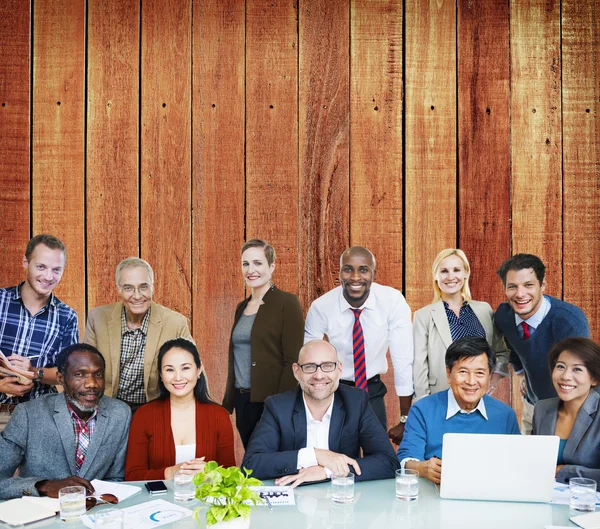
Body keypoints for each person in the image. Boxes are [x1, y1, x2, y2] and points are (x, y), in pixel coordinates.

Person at [242, 340, 400, 486]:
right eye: (309, 367)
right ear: (297, 371)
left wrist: (327, 471)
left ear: (339, 369)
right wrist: (315, 455)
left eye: (327, 366)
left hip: (342, 502)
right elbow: (251, 465)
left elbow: (388, 462)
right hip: (295, 501)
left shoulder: (356, 402)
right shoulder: (278, 406)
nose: (318, 375)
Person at [304, 246, 413, 443]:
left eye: (363, 269)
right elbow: (309, 362)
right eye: (348, 269)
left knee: (380, 457)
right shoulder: (321, 307)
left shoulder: (392, 301)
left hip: (372, 390)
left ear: (374, 273)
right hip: (336, 392)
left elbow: (403, 359)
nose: (355, 277)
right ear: (339, 273)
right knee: (340, 462)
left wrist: (405, 419)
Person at [0, 343, 131, 499]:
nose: (92, 384)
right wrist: (43, 486)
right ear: (61, 378)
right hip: (41, 515)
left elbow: (116, 480)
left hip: (95, 515)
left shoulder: (120, 413)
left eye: (98, 374)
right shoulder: (28, 414)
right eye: (80, 374)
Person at [397, 336, 520, 484]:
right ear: (449, 373)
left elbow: (517, 465)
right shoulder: (422, 410)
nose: (471, 381)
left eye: (480, 373)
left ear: (489, 375)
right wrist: (423, 468)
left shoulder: (505, 415)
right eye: (463, 372)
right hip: (435, 496)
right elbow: (407, 460)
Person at [222, 239, 304, 448]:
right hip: (243, 403)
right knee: (253, 461)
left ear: (272, 266)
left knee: (268, 462)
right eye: (246, 264)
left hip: (271, 403)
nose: (251, 270)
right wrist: (228, 404)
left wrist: (279, 405)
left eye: (258, 263)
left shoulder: (287, 302)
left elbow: (293, 360)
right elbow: (236, 358)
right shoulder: (241, 307)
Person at [495, 253, 590, 434]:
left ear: (542, 285)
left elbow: (580, 374)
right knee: (528, 459)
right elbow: (512, 347)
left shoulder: (568, 321)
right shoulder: (504, 316)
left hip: (568, 408)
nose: (520, 294)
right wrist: (521, 373)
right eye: (512, 287)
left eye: (528, 285)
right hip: (532, 405)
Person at [84, 257, 193, 411]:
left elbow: (193, 371)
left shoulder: (175, 323)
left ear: (152, 288)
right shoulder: (97, 318)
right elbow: (86, 370)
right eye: (128, 288)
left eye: (143, 287)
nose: (137, 296)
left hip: (155, 409)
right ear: (119, 289)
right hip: (108, 407)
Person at [0, 234, 79, 432]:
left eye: (56, 270)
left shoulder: (67, 316)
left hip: (40, 419)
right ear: (25, 262)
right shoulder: (0, 301)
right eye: (41, 267)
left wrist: (33, 371)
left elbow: (66, 375)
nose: (48, 277)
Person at [126, 338, 235, 480]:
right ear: (161, 374)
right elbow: (132, 476)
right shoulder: (144, 415)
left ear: (199, 370)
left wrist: (212, 473)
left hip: (205, 500)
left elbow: (232, 475)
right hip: (156, 501)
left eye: (185, 368)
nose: (178, 377)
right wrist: (172, 472)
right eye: (170, 370)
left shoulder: (219, 415)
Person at [413, 248, 509, 399]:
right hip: (440, 396)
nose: (450, 276)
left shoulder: (484, 310)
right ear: (436, 276)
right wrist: (423, 403)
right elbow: (419, 365)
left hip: (479, 397)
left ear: (466, 273)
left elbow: (501, 352)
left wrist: (494, 379)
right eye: (444, 271)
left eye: (456, 270)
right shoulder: (423, 316)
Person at [533, 337, 600, 483]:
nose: (565, 376)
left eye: (577, 369)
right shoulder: (542, 409)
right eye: (560, 366)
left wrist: (563, 471)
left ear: (594, 378)